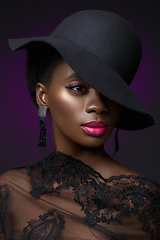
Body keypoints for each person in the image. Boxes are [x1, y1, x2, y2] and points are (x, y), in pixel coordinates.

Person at [0, 10, 159, 240]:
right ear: (42, 96)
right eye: (78, 88)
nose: (98, 106)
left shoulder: (145, 204)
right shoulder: (9, 190)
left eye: (110, 91)